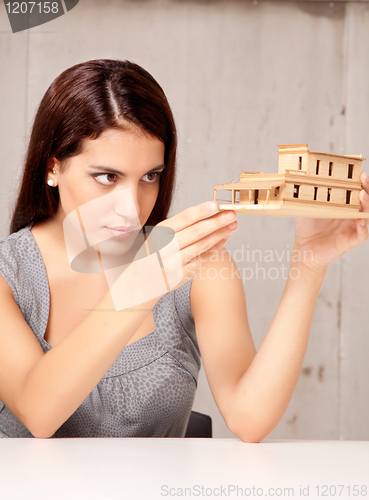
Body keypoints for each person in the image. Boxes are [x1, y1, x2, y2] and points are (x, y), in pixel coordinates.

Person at [0, 59, 368, 441]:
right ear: (52, 167)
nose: (131, 204)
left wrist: (309, 264)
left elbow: (249, 417)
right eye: (107, 177)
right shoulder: (8, 273)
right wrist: (138, 286)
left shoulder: (193, 261)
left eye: (150, 177)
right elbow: (38, 412)